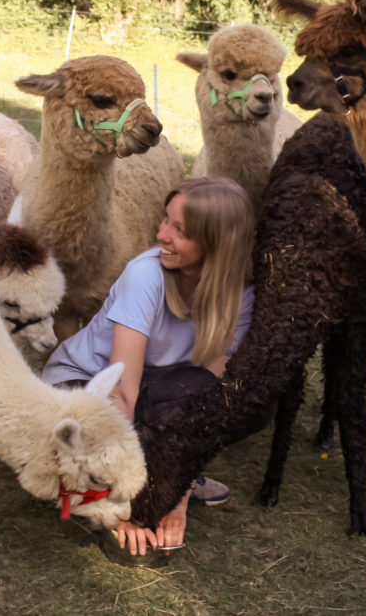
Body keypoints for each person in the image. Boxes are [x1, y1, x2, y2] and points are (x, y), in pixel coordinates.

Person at [41, 175, 256, 556]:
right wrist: (128, 505)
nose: (162, 235)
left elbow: (206, 401)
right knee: (88, 453)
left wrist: (178, 495)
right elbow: (121, 391)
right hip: (86, 385)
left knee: (224, 399)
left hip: (158, 389)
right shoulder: (146, 274)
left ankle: (161, 475)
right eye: (164, 221)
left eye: (180, 230)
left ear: (217, 244)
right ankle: (100, 493)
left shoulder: (242, 295)